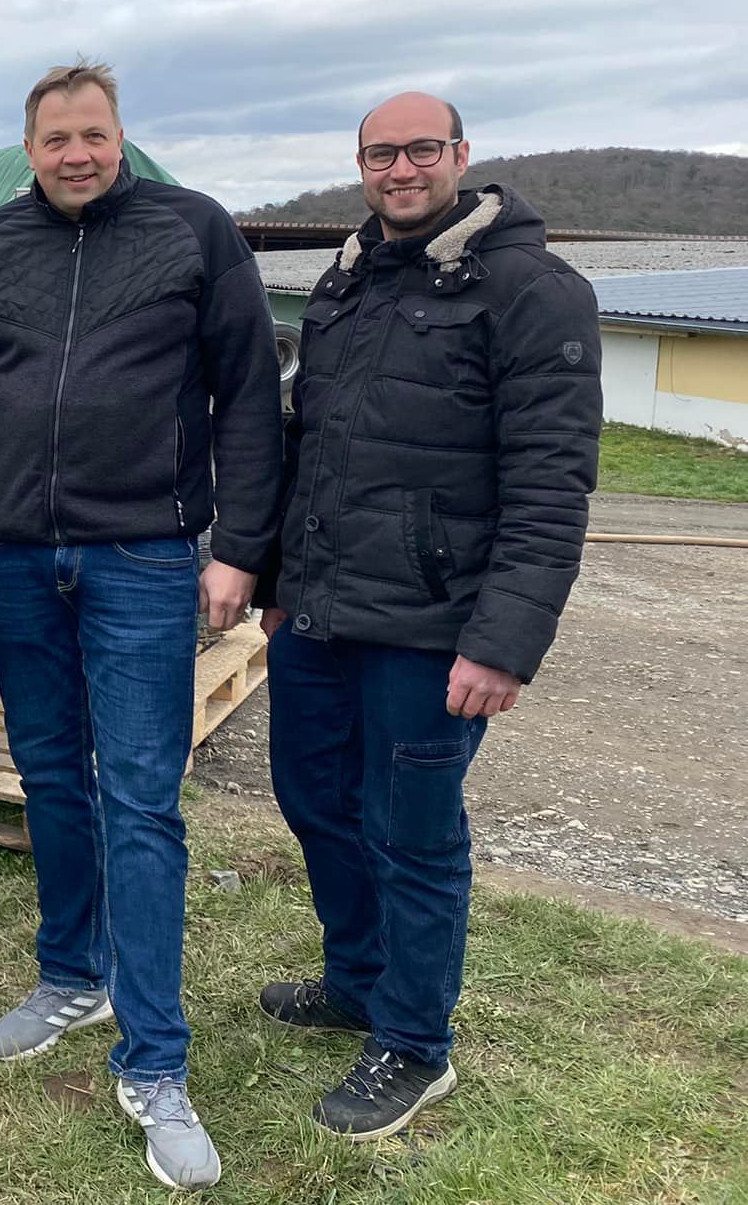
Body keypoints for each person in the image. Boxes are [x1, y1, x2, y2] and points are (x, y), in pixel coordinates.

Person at [0, 62, 282, 1191]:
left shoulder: (192, 233)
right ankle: (68, 974)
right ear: (28, 146)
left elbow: (247, 394)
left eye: (92, 134)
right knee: (47, 774)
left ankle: (155, 1061)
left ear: (119, 136)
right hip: (26, 560)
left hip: (142, 555)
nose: (75, 153)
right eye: (54, 138)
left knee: (139, 798)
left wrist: (237, 550)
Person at [257, 92, 602, 1140]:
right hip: (319, 615)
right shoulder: (349, 278)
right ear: (357, 165)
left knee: (411, 835)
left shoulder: (529, 288)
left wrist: (501, 643)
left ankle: (413, 1043)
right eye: (378, 153)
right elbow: (305, 444)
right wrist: (277, 582)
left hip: (429, 626)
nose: (398, 169)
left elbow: (551, 483)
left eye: (418, 150)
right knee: (315, 800)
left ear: (459, 154)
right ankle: (358, 982)